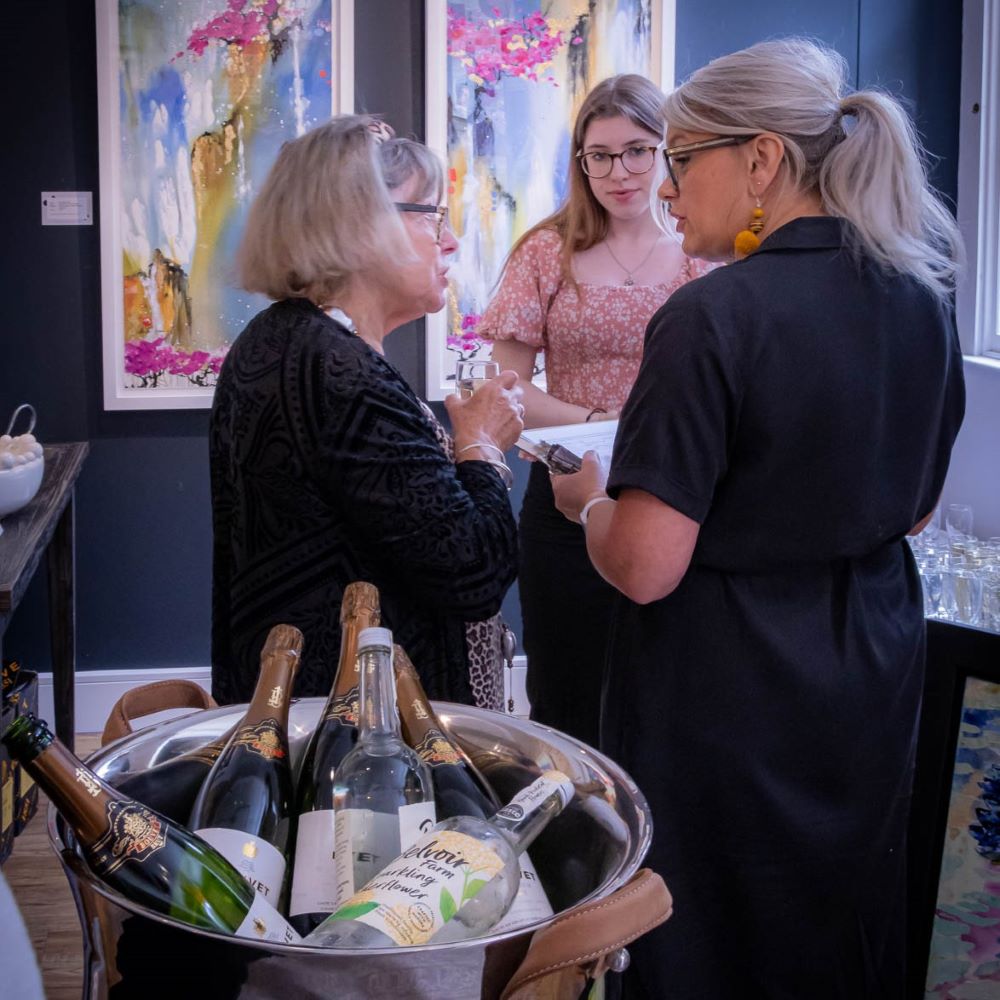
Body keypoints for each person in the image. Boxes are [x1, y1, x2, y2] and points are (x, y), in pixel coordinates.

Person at [550, 39, 965, 998]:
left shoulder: (711, 318)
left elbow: (648, 564)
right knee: (839, 916)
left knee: (710, 936)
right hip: (871, 661)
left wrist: (589, 502)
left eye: (682, 160)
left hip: (730, 687)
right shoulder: (920, 302)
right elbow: (916, 510)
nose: (666, 191)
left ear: (763, 161)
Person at [210, 115, 524, 710]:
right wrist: (481, 445)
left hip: (308, 705)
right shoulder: (338, 373)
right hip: (362, 735)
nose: (450, 240)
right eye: (433, 215)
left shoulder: (282, 340)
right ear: (358, 226)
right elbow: (473, 571)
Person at [481, 74, 712, 748]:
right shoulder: (547, 251)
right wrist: (600, 421)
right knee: (568, 694)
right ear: (581, 162)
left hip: (671, 502)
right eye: (600, 155)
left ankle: (656, 847)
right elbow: (506, 389)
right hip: (566, 501)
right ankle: (572, 845)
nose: (621, 171)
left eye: (638, 150)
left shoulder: (701, 254)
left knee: (668, 692)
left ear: (668, 151)